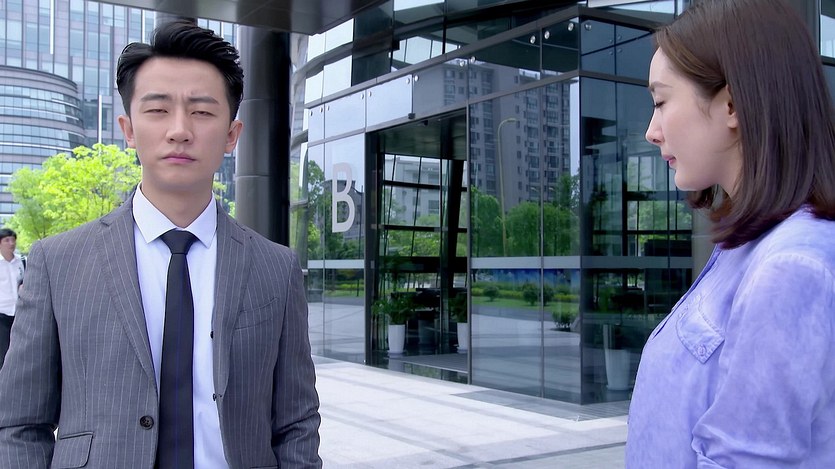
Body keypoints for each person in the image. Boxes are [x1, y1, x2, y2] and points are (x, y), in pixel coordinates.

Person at [0, 20, 322, 468]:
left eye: (202, 112)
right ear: (128, 129)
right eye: (157, 109)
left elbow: (296, 422)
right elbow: (19, 425)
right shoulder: (59, 263)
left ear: (231, 136)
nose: (179, 130)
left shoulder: (276, 267)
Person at [626, 0, 835, 467]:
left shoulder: (790, 265)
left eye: (661, 102)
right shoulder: (750, 247)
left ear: (732, 103)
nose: (651, 131)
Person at [0, 228, 23, 369]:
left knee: (19, 349)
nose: (11, 243)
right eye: (7, 240)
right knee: (3, 351)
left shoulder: (22, 262)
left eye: (13, 239)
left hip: (19, 312)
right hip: (2, 314)